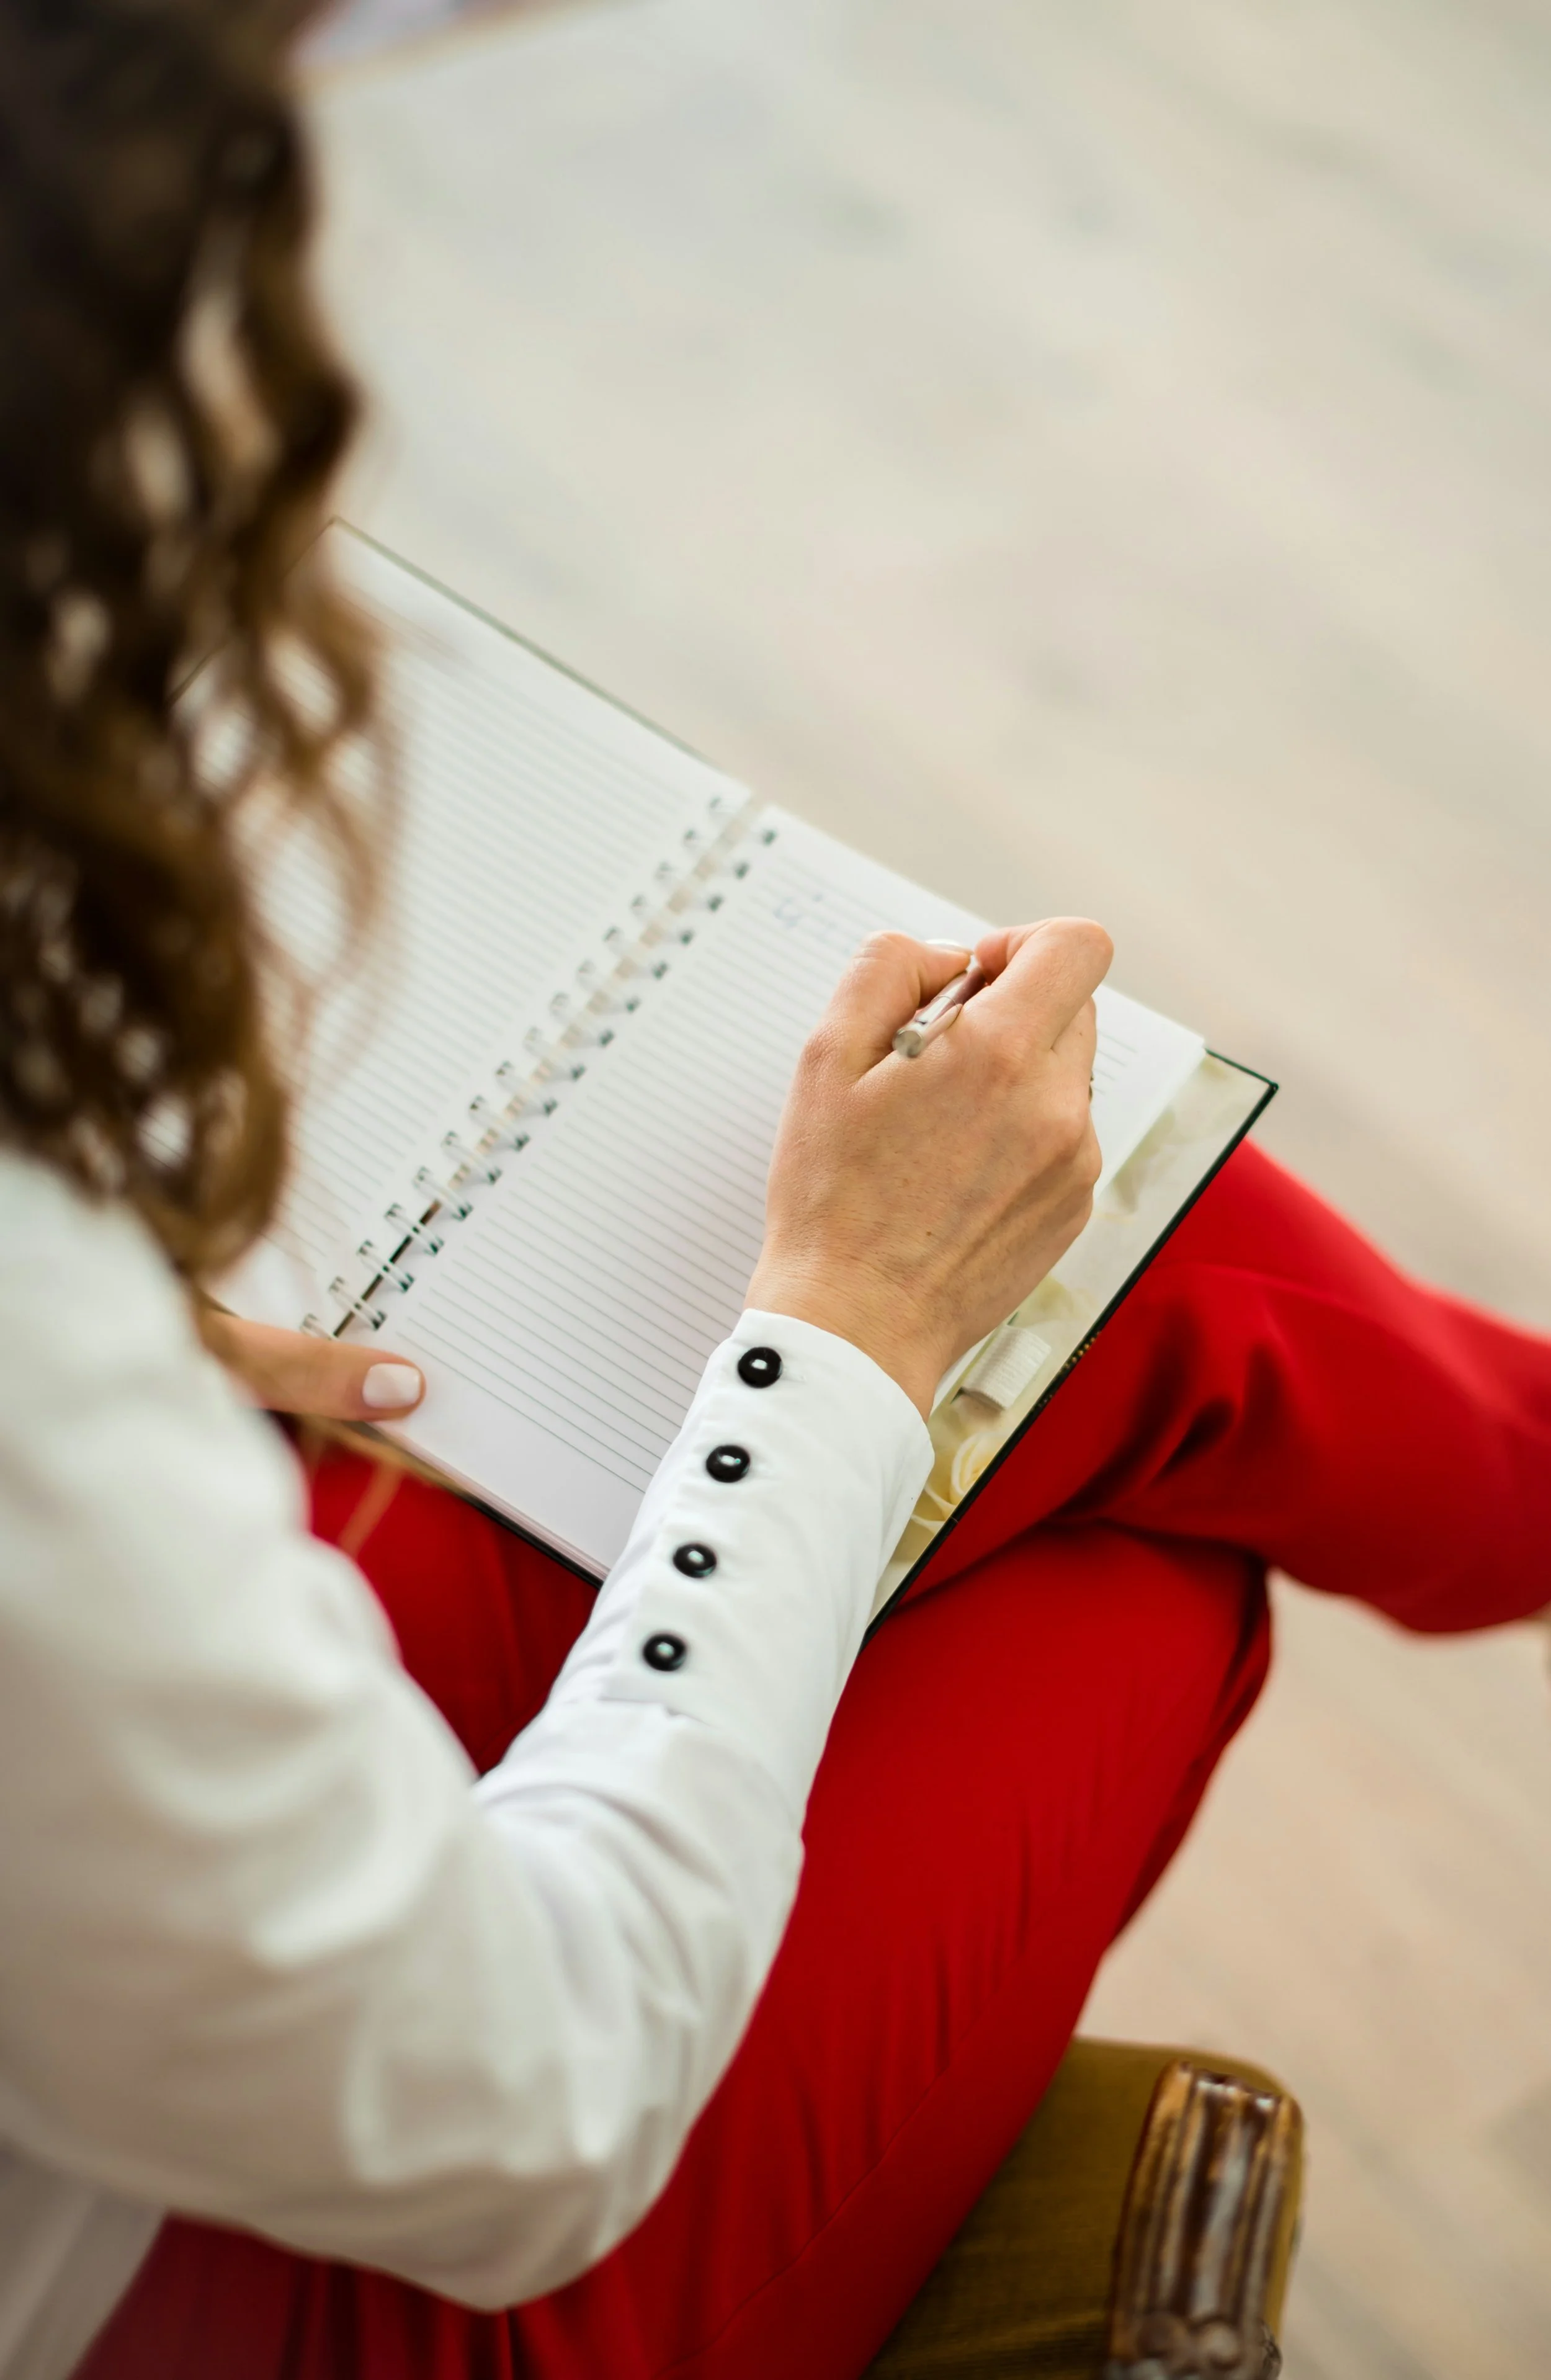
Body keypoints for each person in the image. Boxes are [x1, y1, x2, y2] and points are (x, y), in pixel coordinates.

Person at [1, 7, 1547, 2379]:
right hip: (241, 2283)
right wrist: (835, 1341)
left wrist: (130, 1347)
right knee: (1108, 1490)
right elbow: (527, 2121)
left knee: (1069, 1267)